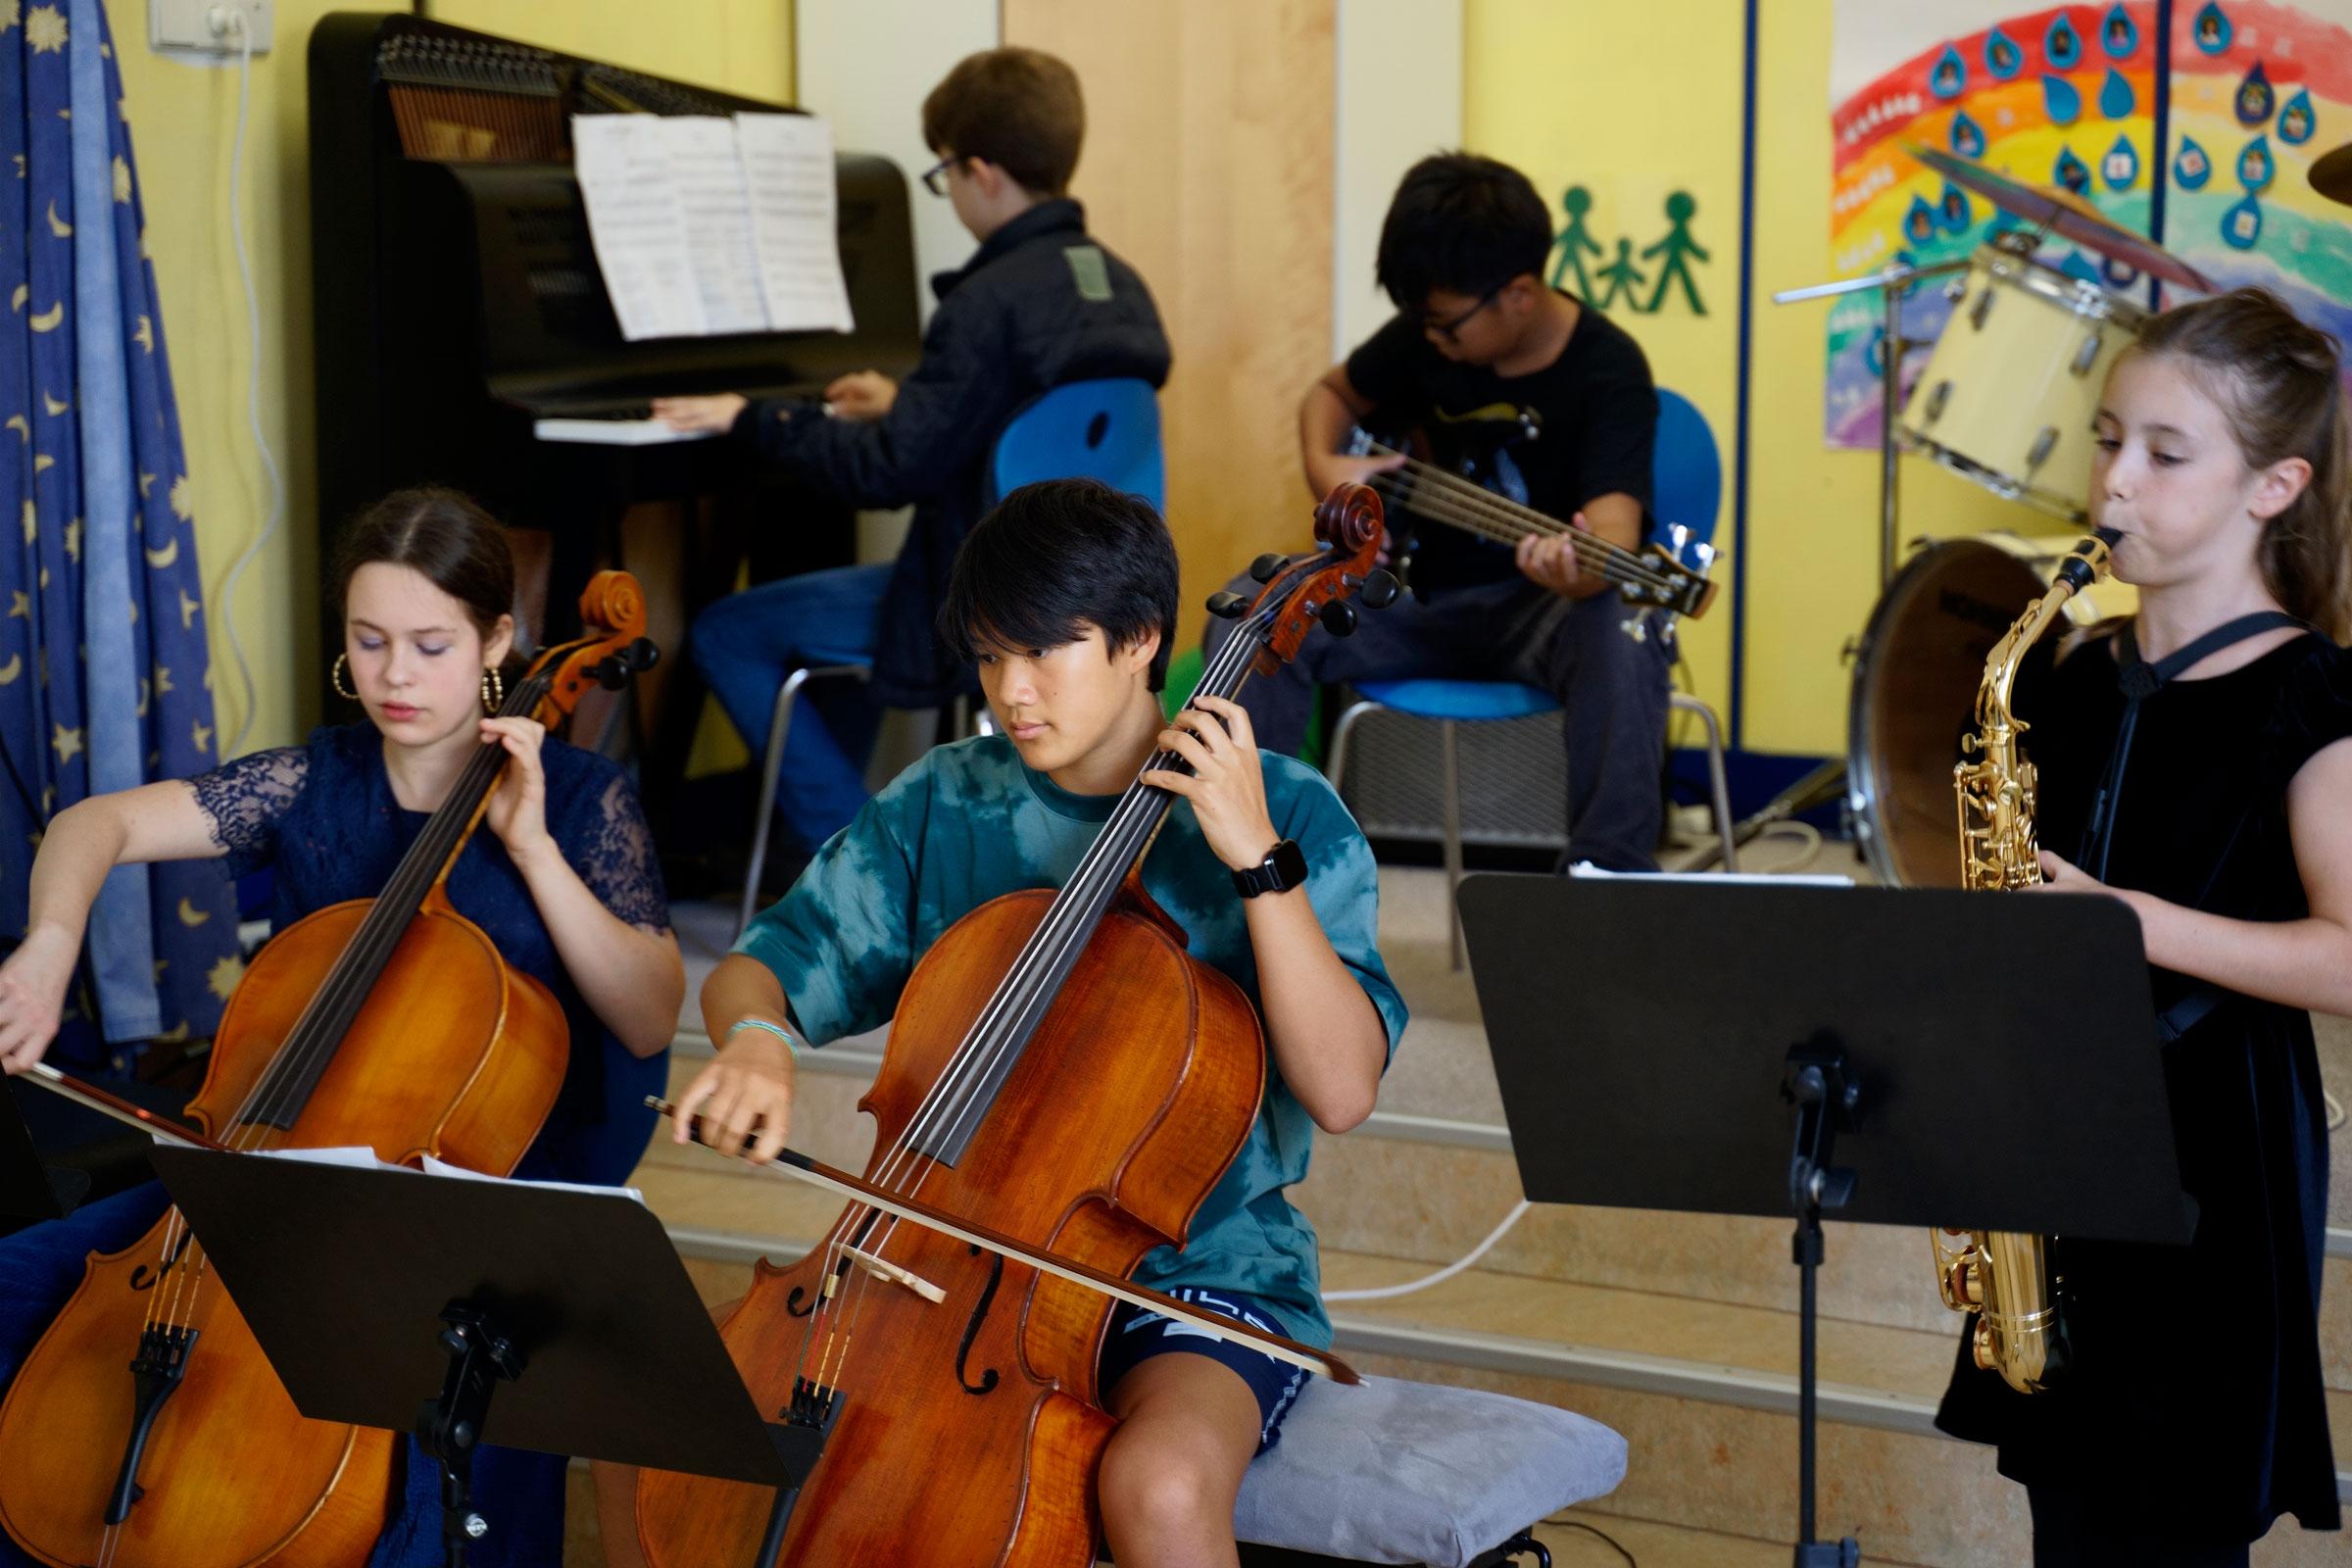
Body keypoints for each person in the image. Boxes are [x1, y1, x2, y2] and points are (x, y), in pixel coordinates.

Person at [596, 478, 1407, 1568]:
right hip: (933, 1262)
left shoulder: (1288, 809)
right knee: (648, 1419)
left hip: (1193, 1281)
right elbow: (758, 971)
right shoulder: (948, 798)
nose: (1011, 693)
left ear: (1141, 640)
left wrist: (1257, 863)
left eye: (1043, 651)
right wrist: (759, 1042)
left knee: (1161, 1486)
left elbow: (1344, 1090)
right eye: (987, 657)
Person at [0, 486, 686, 1568]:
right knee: (20, 1281)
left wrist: (534, 847)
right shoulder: (312, 781)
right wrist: (48, 943)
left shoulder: (583, 797)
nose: (395, 676)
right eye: (369, 641)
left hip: (476, 1202)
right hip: (279, 1168)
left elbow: (649, 1018)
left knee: (420, 1430)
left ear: (496, 640)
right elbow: (97, 823)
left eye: (430, 645)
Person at [1934, 288, 2351, 1564]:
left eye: (2167, 454)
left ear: (2275, 487)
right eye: (2110, 440)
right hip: (2059, 1132)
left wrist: (2133, 923)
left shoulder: (2312, 694)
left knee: (2181, 1518)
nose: (2115, 480)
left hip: (2214, 1154)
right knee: (2070, 1516)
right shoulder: (2069, 675)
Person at [654, 47, 1171, 867]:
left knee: (729, 630)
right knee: (833, 626)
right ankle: (818, 840)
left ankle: (859, 856)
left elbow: (886, 471)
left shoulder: (987, 300)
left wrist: (756, 416)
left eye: (945, 173)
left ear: (980, 172)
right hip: (1091, 586)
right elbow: (1023, 420)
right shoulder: (1116, 283)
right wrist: (908, 401)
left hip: (984, 592)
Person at [1205, 151, 1670, 871]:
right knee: (1253, 606)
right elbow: (1330, 396)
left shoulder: (1609, 370)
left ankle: (1607, 881)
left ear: (1518, 294)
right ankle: (1241, 863)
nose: (1431, 336)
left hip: (1536, 615)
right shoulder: (1423, 339)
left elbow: (1613, 536)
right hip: (1410, 600)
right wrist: (1325, 467)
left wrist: (1572, 569)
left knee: (1628, 623)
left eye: (1447, 324)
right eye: (1421, 319)